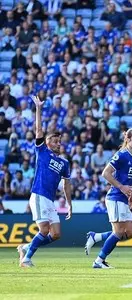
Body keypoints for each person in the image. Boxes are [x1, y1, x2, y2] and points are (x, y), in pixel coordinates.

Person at [17, 95, 72, 268]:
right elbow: (39, 130)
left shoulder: (64, 162)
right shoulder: (42, 152)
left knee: (56, 234)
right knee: (44, 230)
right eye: (54, 141)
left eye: (59, 141)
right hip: (39, 195)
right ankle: (26, 259)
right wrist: (39, 109)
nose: (58, 143)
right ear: (47, 143)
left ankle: (25, 247)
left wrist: (70, 204)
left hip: (50, 199)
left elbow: (66, 184)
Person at [84, 128, 132, 268]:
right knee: (119, 231)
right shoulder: (121, 155)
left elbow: (130, 180)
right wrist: (122, 188)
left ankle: (96, 237)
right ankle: (98, 261)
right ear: (127, 139)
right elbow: (106, 173)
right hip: (115, 196)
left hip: (124, 198)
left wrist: (131, 196)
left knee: (130, 232)